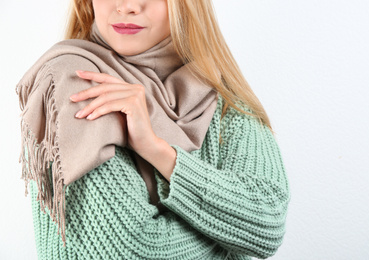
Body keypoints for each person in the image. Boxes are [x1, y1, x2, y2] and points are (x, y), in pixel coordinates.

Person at [17, 0, 291, 259]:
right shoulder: (77, 82)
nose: (128, 7)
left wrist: (156, 150)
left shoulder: (220, 96)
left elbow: (268, 222)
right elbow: (129, 250)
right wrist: (231, 237)